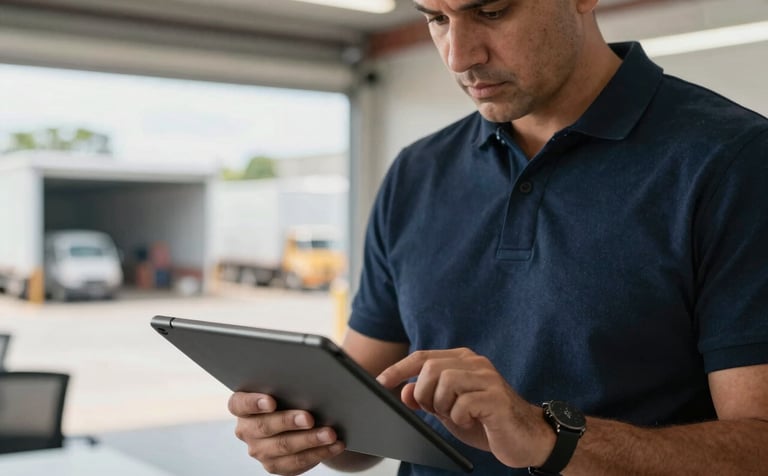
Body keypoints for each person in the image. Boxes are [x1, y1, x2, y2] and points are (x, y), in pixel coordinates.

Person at [228, 0, 768, 474]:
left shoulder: (735, 161)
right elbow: (361, 426)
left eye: (491, 11)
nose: (460, 57)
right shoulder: (417, 173)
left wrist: (546, 437)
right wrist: (305, 432)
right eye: (437, 18)